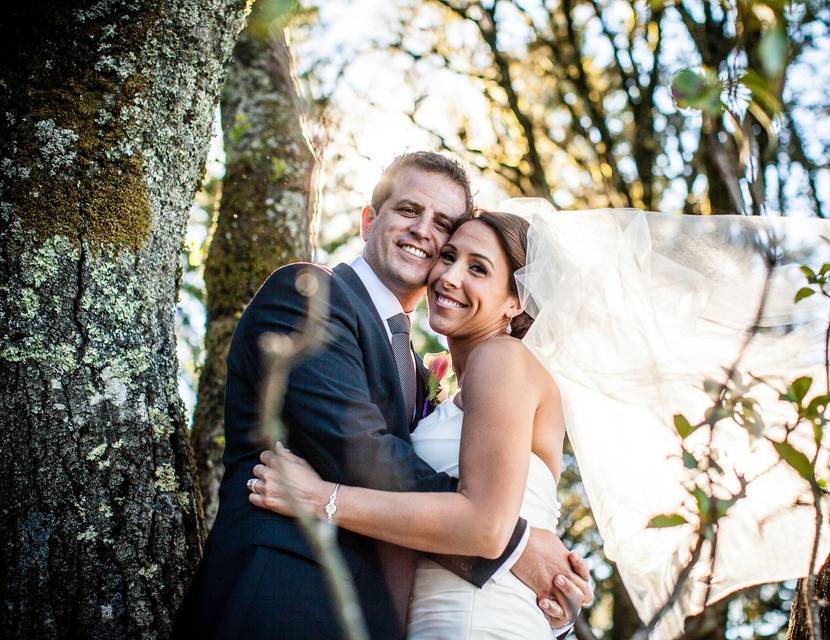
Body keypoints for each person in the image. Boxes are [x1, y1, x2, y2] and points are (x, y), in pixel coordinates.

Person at [252, 203, 830, 639]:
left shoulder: (501, 363)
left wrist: (323, 498)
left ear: (515, 301)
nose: (448, 275)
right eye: (448, 257)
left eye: (478, 268)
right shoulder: (468, 384)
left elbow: (481, 524)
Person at [174, 153, 590, 640]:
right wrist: (516, 548)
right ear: (369, 221)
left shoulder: (426, 372)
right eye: (408, 211)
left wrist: (548, 597)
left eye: (443, 225)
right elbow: (360, 451)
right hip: (282, 601)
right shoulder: (307, 299)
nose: (424, 233)